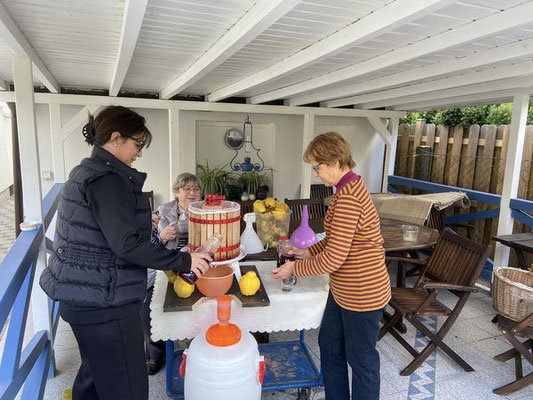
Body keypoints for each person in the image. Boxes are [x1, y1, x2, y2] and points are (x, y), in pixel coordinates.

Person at [39, 106, 211, 400]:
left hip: (85, 296)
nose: (139, 153)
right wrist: (186, 260)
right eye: (137, 144)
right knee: (125, 387)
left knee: (95, 379)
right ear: (116, 138)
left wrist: (142, 221)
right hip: (106, 303)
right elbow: (126, 246)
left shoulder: (87, 171)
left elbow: (101, 228)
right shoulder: (107, 179)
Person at [272, 131, 391, 400]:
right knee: (329, 345)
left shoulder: (348, 197)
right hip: (343, 290)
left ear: (337, 161)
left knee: (362, 361)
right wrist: (305, 252)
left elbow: (335, 257)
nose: (316, 174)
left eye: (318, 167)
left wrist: (295, 269)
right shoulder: (347, 188)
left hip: (362, 292)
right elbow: (337, 242)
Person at [142, 172, 202, 374]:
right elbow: (149, 247)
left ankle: (195, 350)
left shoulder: (206, 211)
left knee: (198, 306)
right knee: (149, 309)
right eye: (187, 189)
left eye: (196, 189)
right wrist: (163, 236)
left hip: (195, 267)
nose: (192, 193)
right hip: (166, 268)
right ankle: (156, 352)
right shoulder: (162, 212)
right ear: (176, 192)